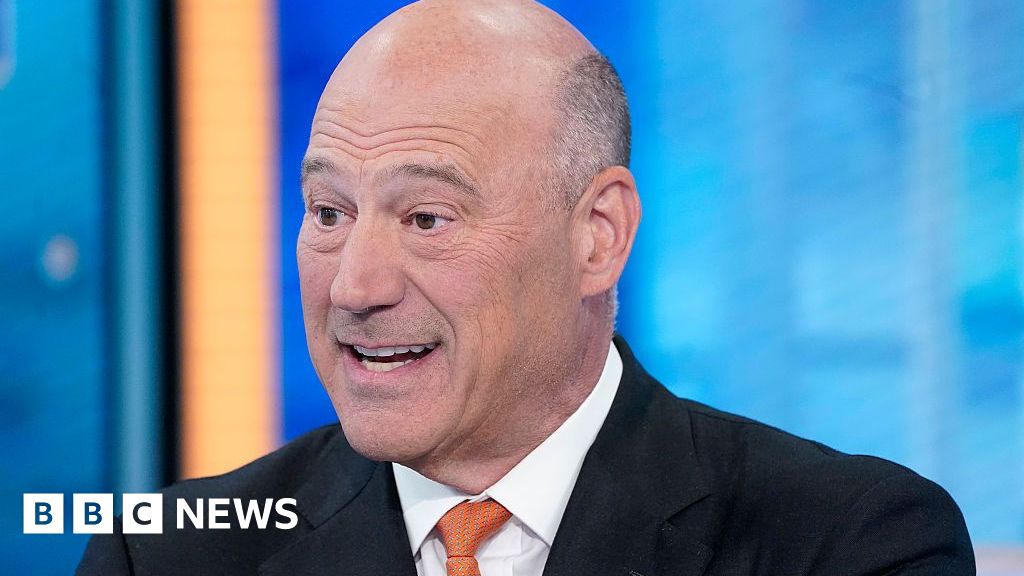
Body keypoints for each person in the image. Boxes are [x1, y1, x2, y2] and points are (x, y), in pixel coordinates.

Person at [78, 1, 975, 574]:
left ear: (598, 236)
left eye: (426, 218)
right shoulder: (167, 556)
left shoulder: (850, 543)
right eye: (328, 212)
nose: (354, 286)